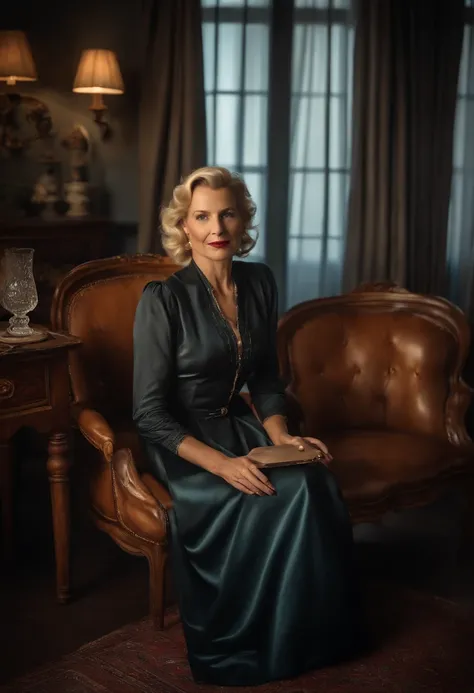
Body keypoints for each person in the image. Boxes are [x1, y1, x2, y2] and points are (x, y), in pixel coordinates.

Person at [133, 166, 362, 687]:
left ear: (242, 219)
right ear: (184, 226)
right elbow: (148, 414)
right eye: (202, 216)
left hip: (239, 425)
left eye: (227, 213)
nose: (217, 227)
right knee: (269, 495)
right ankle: (246, 645)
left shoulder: (259, 281)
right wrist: (223, 466)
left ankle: (313, 637)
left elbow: (264, 380)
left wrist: (281, 435)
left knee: (315, 480)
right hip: (184, 442)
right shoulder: (162, 299)